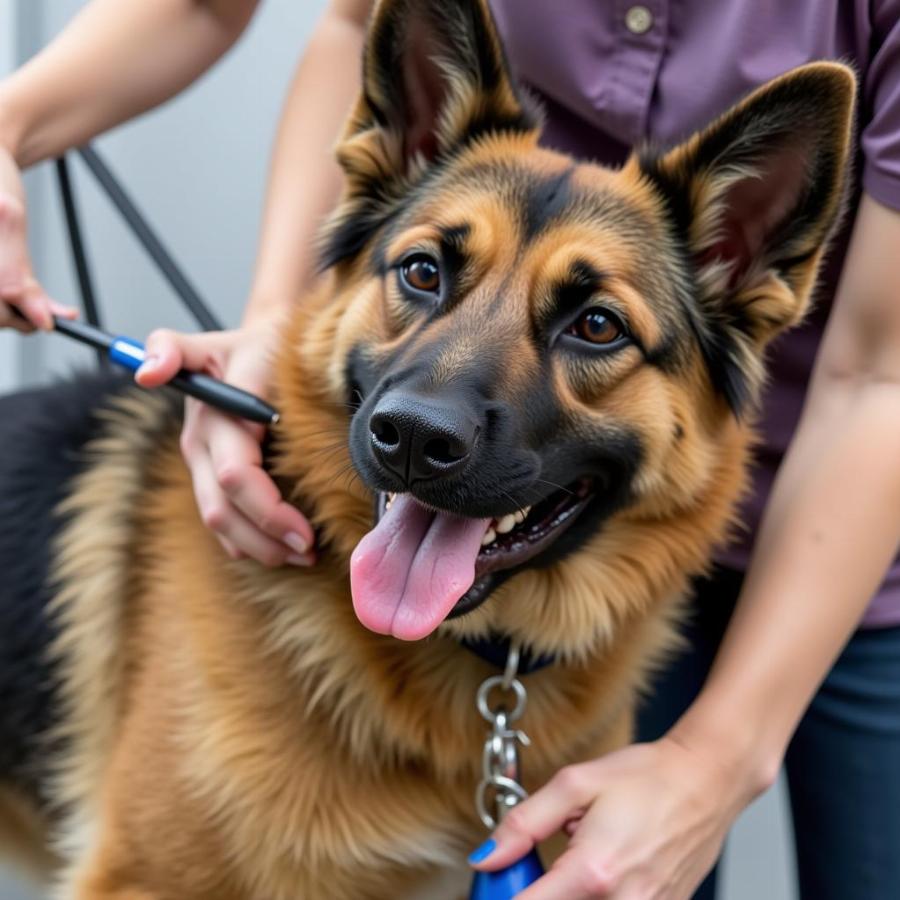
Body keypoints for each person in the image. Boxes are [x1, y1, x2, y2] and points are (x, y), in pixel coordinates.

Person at [1, 1, 899, 897]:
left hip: (821, 537)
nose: (429, 413)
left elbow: (880, 382)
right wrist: (273, 318)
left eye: (595, 325)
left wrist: (714, 760)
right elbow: (339, 21)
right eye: (426, 273)